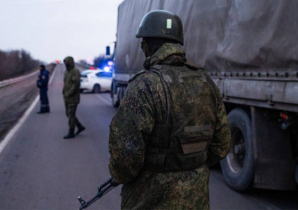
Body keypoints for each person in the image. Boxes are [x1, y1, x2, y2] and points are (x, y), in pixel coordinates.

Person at [108, 10, 231, 209]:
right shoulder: (206, 81)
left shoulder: (144, 85)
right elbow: (222, 145)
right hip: (197, 198)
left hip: (151, 199)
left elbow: (125, 160)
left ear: (146, 46)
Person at [62, 56, 85, 139]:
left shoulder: (75, 71)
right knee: (68, 114)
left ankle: (71, 131)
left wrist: (68, 93)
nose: (66, 64)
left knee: (71, 114)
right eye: (65, 63)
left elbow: (76, 85)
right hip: (66, 97)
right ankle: (79, 126)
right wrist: (64, 92)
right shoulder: (66, 72)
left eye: (67, 62)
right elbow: (66, 83)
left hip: (73, 97)